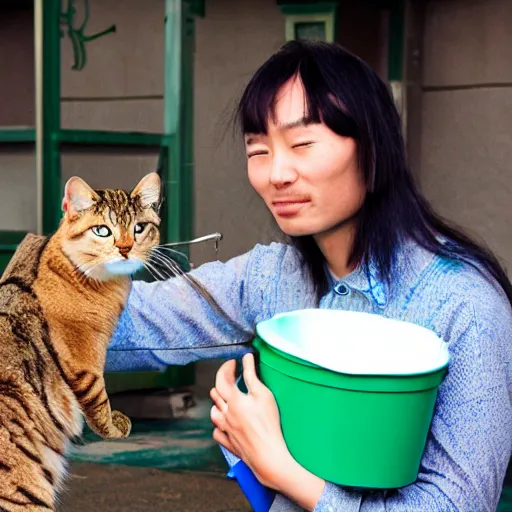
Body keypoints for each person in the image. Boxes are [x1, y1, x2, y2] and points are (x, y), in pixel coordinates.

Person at [106, 40, 512, 511]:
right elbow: (128, 323)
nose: (276, 173)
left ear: (374, 148)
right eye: (258, 149)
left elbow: (456, 504)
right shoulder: (272, 277)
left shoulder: (464, 305)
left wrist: (280, 468)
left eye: (302, 144)